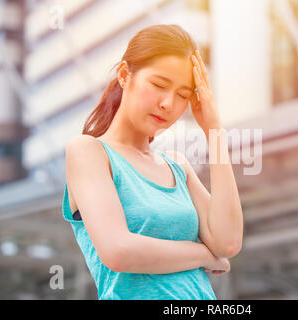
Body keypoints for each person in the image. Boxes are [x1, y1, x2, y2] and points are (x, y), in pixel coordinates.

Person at [62, 24, 243, 300]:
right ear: (125, 75)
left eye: (183, 95)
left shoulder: (177, 166)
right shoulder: (88, 151)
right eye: (159, 85)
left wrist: (213, 130)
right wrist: (204, 255)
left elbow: (228, 243)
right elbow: (119, 251)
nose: (168, 104)